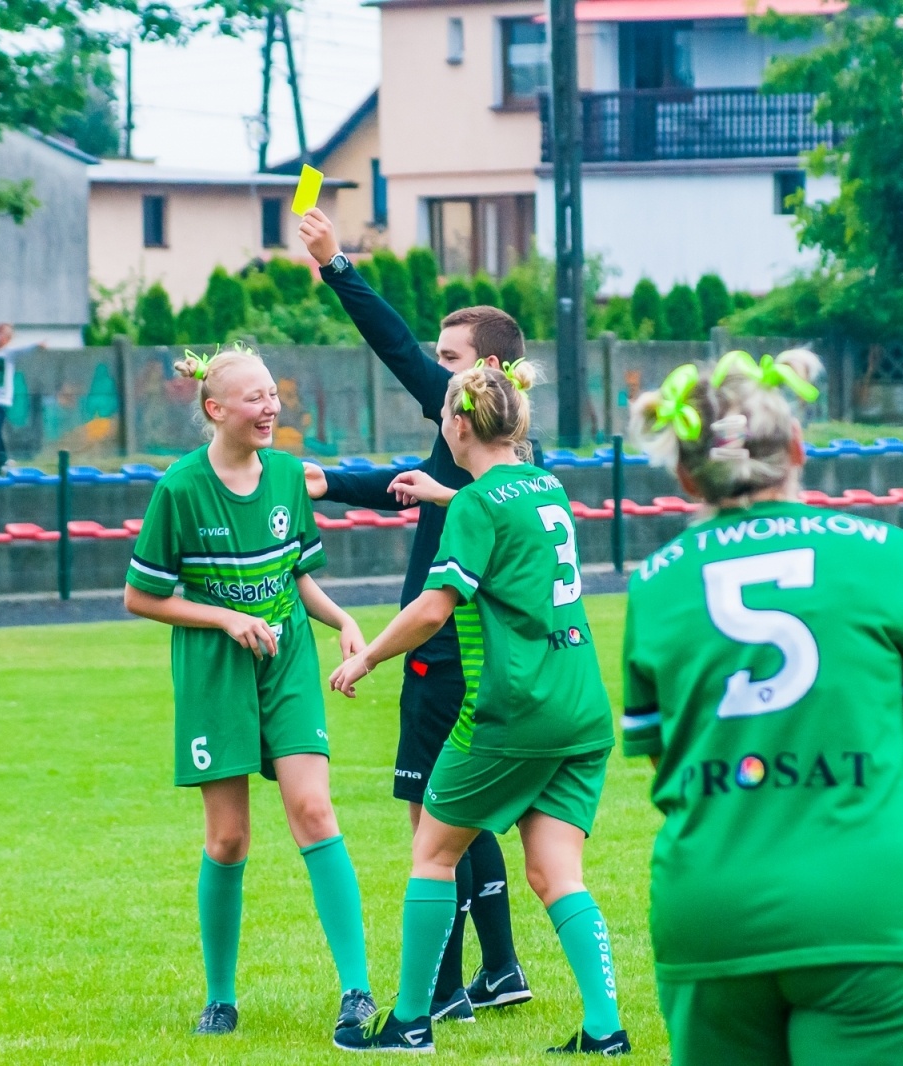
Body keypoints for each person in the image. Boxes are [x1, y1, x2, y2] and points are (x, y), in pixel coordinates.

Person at [621, 354, 903, 1065]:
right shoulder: (885, 553)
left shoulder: (653, 585)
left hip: (710, 907)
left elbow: (669, 763)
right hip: (865, 901)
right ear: (797, 449)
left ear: (686, 475)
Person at [329, 361, 629, 1056]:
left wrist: (367, 655)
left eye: (442, 410)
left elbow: (435, 609)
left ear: (460, 422)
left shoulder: (473, 505)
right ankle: (605, 1030)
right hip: (581, 706)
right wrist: (445, 495)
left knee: (433, 851)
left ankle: (409, 1024)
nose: (439, 420)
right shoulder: (543, 486)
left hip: (514, 704)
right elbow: (498, 509)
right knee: (556, 873)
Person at [297, 207, 532, 1022]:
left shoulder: (463, 413)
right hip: (493, 650)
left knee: (431, 814)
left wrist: (338, 267)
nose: (436, 371)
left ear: (487, 368)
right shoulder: (500, 444)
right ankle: (498, 968)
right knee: (465, 805)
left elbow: (391, 346)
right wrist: (339, 485)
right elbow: (428, 483)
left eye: (451, 360)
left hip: (443, 644)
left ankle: (438, 990)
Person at [122, 345, 376, 1039]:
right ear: (216, 410)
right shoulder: (179, 488)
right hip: (214, 665)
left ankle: (357, 991)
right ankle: (220, 997)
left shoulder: (291, 476)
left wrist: (345, 619)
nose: (272, 408)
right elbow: (140, 597)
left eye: (273, 395)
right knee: (229, 839)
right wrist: (226, 617)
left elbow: (298, 579)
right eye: (256, 398)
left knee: (315, 810)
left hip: (286, 655)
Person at [0, 323, 45, 474]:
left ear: (7, 339)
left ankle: (3, 461)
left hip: (2, 400)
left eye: (1, 334)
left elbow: (24, 350)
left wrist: (37, 345)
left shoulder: (8, 353)